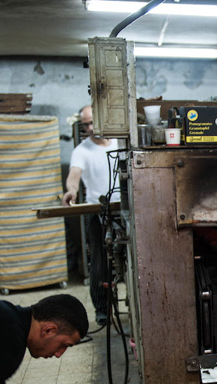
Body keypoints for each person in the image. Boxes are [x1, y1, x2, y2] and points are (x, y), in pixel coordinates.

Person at [62, 105, 119, 327]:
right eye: (85, 124)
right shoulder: (82, 150)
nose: (90, 128)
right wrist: (71, 191)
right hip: (97, 211)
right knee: (98, 263)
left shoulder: (120, 143)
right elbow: (74, 175)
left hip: (124, 210)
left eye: (93, 122)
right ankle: (102, 311)